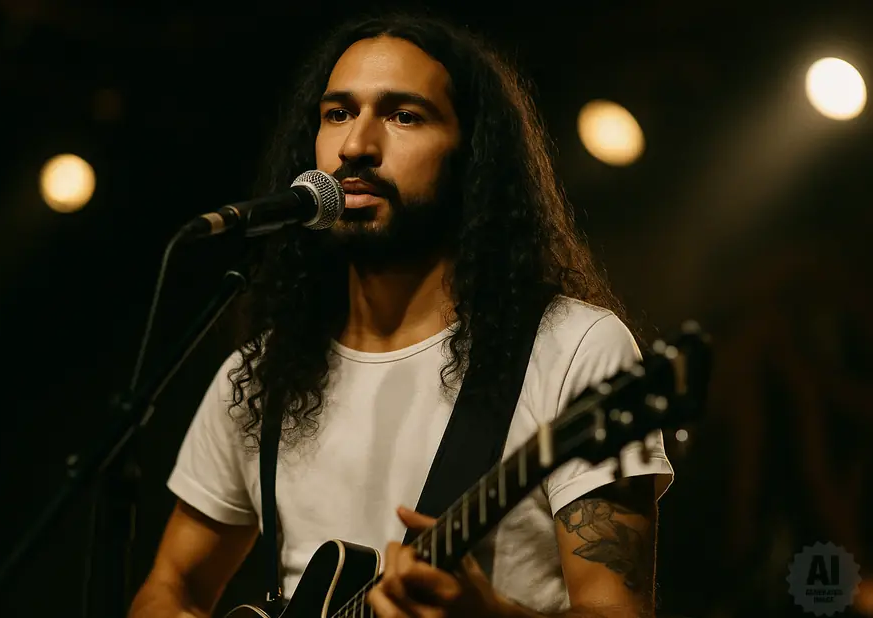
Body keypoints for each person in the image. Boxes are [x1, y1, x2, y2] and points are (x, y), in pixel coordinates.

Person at [129, 13, 674, 618]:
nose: (356, 145)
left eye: (403, 115)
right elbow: (169, 586)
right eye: (338, 113)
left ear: (472, 154)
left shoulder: (572, 348)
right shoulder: (266, 372)